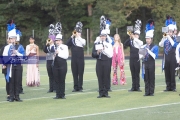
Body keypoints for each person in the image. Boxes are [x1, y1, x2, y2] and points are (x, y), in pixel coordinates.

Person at [3, 20, 25, 102]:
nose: (13, 40)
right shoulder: (7, 47)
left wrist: (17, 53)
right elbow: (4, 56)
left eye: (14, 38)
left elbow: (23, 56)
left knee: (17, 81)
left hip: (18, 65)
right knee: (11, 82)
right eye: (11, 38)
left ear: (16, 38)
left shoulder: (20, 47)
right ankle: (11, 96)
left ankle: (17, 96)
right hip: (10, 66)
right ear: (9, 39)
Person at [159, 15, 178, 92]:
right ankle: (168, 86)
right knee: (167, 72)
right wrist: (164, 38)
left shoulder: (176, 38)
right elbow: (160, 44)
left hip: (173, 57)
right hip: (166, 57)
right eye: (168, 31)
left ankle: (173, 87)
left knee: (172, 72)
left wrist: (169, 37)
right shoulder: (165, 38)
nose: (169, 33)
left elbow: (174, 45)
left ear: (173, 32)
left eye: (170, 31)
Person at [92, 30, 113, 98]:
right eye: (101, 36)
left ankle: (106, 92)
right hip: (99, 62)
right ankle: (101, 92)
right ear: (100, 36)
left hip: (106, 61)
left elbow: (110, 55)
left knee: (106, 76)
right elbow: (93, 54)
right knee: (100, 77)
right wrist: (97, 52)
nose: (103, 37)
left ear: (106, 37)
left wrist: (104, 50)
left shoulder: (108, 44)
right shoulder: (96, 44)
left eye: (104, 36)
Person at [124, 19, 143, 92]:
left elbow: (139, 43)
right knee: (133, 73)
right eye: (134, 34)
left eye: (137, 35)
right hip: (131, 58)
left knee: (137, 73)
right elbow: (125, 44)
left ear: (138, 36)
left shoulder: (140, 41)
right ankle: (133, 87)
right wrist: (129, 37)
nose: (135, 36)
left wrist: (134, 38)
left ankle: (137, 87)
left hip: (137, 58)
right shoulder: (131, 41)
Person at [141, 19, 159, 96]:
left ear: (151, 39)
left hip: (151, 63)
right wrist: (142, 54)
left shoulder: (155, 47)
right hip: (145, 63)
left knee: (151, 77)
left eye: (148, 39)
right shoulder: (144, 46)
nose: (147, 40)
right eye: (146, 39)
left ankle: (151, 92)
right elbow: (141, 56)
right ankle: (146, 91)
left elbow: (155, 56)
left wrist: (148, 51)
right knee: (146, 77)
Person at [66, 22, 86, 92]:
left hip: (80, 59)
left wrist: (78, 36)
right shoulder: (72, 40)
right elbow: (67, 44)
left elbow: (83, 43)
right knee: (74, 73)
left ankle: (80, 87)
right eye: (76, 31)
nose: (76, 33)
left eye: (78, 32)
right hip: (74, 59)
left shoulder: (82, 39)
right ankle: (75, 87)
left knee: (80, 73)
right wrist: (72, 36)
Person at [53, 32, 69, 99]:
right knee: (56, 80)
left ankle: (62, 94)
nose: (57, 42)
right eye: (56, 40)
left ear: (61, 41)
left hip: (62, 64)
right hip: (55, 65)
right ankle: (57, 94)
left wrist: (59, 53)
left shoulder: (65, 47)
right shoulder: (54, 47)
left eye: (59, 40)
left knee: (62, 80)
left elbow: (66, 56)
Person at [43, 24, 56, 93]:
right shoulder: (47, 46)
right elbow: (44, 50)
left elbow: (53, 50)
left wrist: (51, 44)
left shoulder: (54, 46)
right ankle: (51, 88)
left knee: (55, 74)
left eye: (50, 39)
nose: (49, 40)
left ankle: (55, 87)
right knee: (50, 75)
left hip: (54, 61)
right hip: (48, 60)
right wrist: (46, 44)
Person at [16, 28, 24, 94]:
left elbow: (23, 55)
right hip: (12, 63)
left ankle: (20, 89)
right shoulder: (10, 46)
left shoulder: (20, 46)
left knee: (19, 77)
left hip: (19, 62)